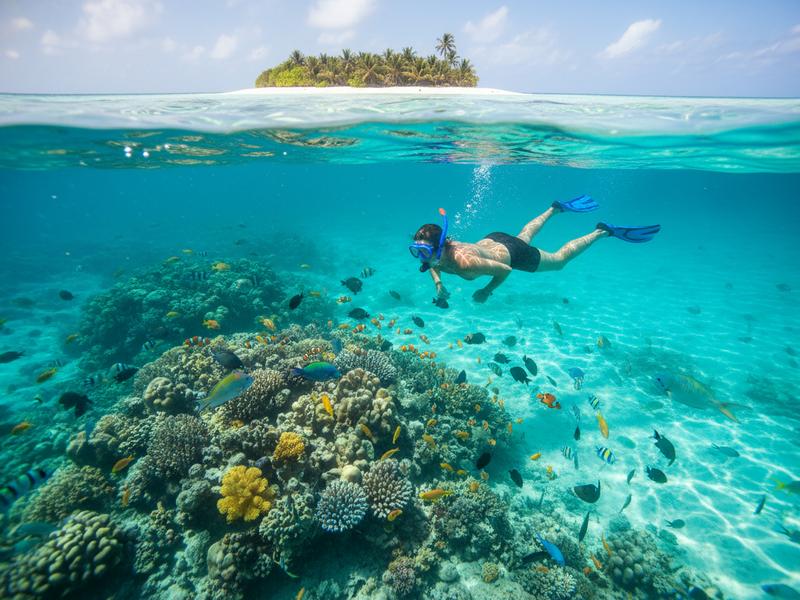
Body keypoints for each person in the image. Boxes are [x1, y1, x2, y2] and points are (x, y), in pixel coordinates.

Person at [409, 196, 660, 304]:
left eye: (423, 252)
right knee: (524, 234)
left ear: (440, 247)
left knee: (560, 261)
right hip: (495, 238)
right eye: (416, 251)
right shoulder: (436, 256)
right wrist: (438, 284)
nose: (420, 257)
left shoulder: (466, 263)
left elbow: (505, 270)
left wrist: (486, 291)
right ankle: (554, 208)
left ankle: (602, 231)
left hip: (512, 255)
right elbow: (434, 265)